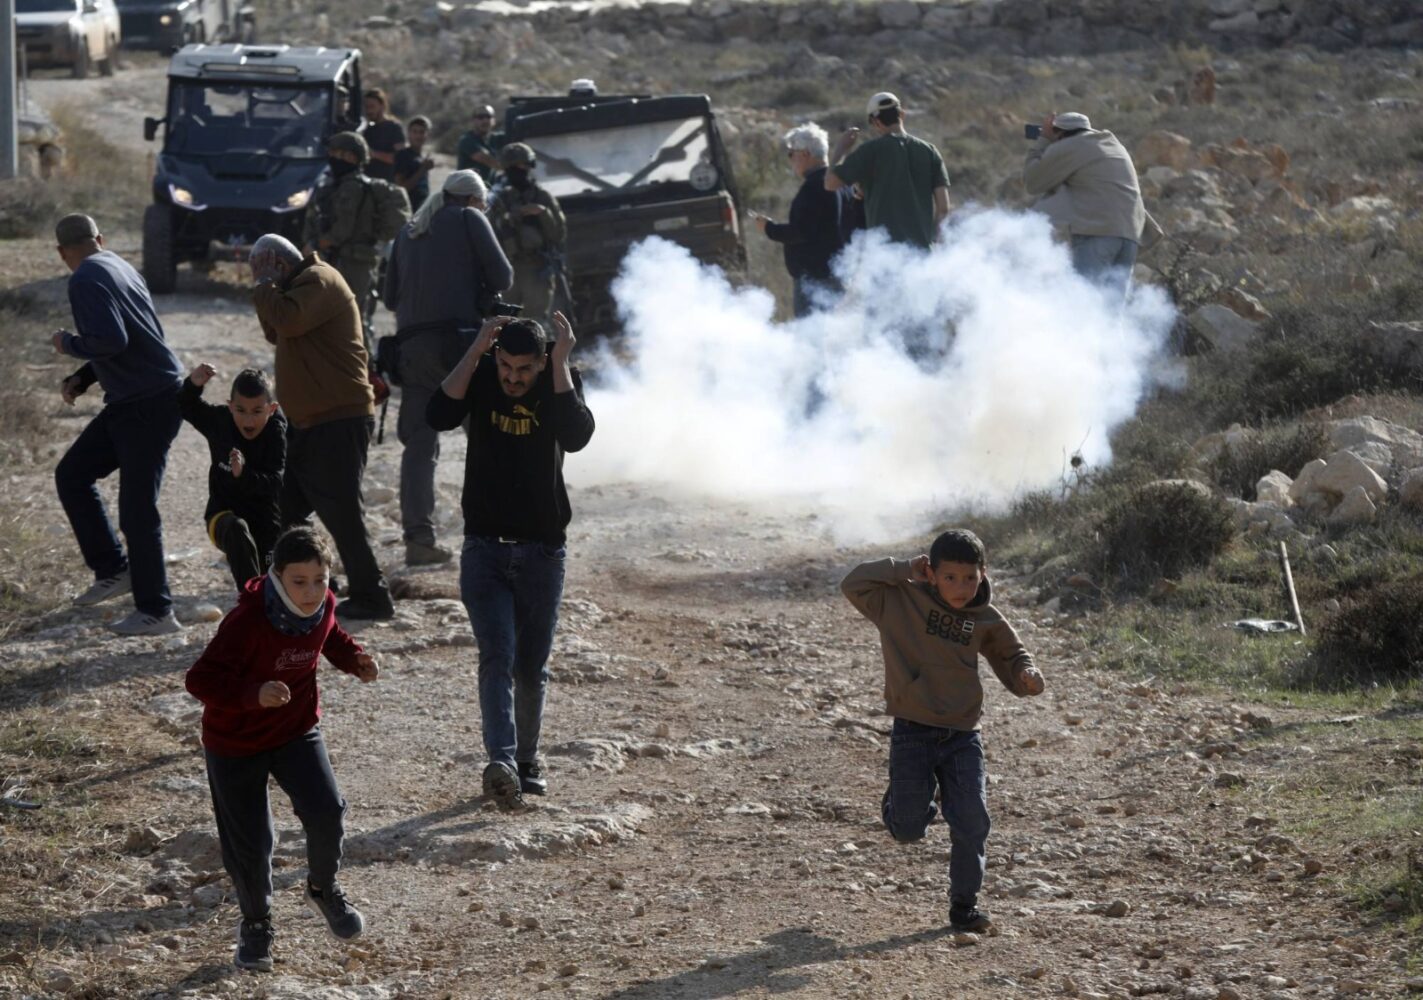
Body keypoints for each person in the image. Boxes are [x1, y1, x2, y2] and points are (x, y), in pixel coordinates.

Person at [185, 526, 379, 973]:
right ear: (276, 576)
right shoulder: (247, 621)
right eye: (299, 581)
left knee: (327, 810)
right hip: (235, 743)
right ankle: (256, 924)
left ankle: (322, 889)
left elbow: (330, 635)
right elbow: (199, 679)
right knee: (252, 844)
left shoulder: (324, 604)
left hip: (295, 730)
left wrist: (355, 661)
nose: (311, 592)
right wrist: (253, 694)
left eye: (320, 580)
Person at [840, 529, 1045, 933]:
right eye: (950, 577)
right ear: (931, 573)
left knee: (972, 820)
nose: (961, 587)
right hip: (912, 731)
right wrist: (903, 569)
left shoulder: (984, 615)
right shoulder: (899, 601)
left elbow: (1012, 652)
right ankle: (904, 799)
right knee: (907, 828)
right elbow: (853, 583)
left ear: (983, 574)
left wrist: (1026, 674)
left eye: (970, 578)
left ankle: (964, 906)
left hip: (963, 734)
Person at [425, 315, 594, 804]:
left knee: (530, 667)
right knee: (497, 655)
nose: (513, 378)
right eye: (506, 366)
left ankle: (526, 759)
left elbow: (577, 435)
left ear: (541, 363)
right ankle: (500, 761)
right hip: (485, 546)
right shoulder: (481, 374)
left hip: (543, 549)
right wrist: (477, 350)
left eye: (524, 369)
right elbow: (438, 415)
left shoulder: (560, 380)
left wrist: (559, 363)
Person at [249, 233, 396, 621]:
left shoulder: (318, 279)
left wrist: (264, 285)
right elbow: (275, 329)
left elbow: (288, 320)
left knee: (343, 514)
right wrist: (266, 288)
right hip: (310, 422)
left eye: (262, 270)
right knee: (285, 506)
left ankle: (372, 595)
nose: (259, 280)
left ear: (279, 265)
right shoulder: (297, 287)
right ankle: (315, 582)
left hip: (337, 419)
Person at [51, 213, 185, 637]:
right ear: (100, 238)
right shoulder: (120, 265)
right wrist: (84, 377)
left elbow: (111, 340)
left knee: (138, 511)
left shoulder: (83, 279)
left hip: (146, 404)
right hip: (140, 399)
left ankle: (157, 611)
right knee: (73, 475)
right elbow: (131, 336)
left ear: (61, 252)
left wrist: (67, 344)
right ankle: (113, 569)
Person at [383, 170, 513, 567]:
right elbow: (504, 276)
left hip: (413, 349)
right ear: (472, 200)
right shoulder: (469, 218)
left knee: (420, 447)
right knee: (487, 439)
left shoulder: (408, 231)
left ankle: (419, 541)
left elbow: (389, 298)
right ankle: (497, 532)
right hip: (461, 345)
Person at [1023, 111, 1160, 296]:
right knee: (1111, 310)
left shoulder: (1070, 146)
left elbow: (1032, 182)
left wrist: (1044, 140)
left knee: (1083, 302)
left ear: (1059, 133)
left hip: (1099, 235)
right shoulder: (1112, 144)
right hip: (1130, 236)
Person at [178, 364, 287, 592]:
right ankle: (250, 604)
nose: (248, 421)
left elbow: (275, 482)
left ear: (272, 409)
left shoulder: (276, 432)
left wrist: (243, 475)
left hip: (265, 524)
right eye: (240, 410)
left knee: (274, 587)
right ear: (230, 406)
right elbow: (185, 405)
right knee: (237, 529)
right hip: (222, 518)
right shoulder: (220, 421)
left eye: (257, 411)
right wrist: (193, 384)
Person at [304, 131, 411, 349]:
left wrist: (315, 246)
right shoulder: (336, 185)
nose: (334, 158)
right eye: (333, 152)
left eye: (338, 153)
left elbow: (341, 231)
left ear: (352, 157)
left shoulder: (352, 187)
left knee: (353, 322)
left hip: (351, 264)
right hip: (350, 262)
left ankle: (361, 367)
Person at [749, 123, 855, 317]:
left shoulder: (814, 186)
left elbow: (801, 231)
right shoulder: (840, 183)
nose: (790, 160)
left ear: (805, 154)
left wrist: (768, 228)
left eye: (792, 154)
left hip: (815, 280)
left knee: (811, 334)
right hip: (840, 273)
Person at [826, 92, 951, 249]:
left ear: (875, 121)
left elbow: (830, 183)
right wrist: (934, 242)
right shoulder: (930, 151)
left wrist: (841, 150)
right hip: (922, 255)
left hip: (885, 254)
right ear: (902, 114)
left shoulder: (869, 151)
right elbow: (943, 208)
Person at [487, 143, 566, 327]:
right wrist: (511, 216)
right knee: (503, 325)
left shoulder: (542, 197)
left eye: (522, 165)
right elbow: (488, 234)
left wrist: (542, 213)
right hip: (506, 269)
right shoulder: (497, 198)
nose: (518, 170)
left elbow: (558, 235)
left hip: (536, 268)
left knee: (536, 325)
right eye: (513, 167)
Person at [359, 88, 405, 183]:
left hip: (387, 184)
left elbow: (400, 159)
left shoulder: (394, 127)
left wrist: (373, 154)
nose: (369, 111)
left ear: (382, 106)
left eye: (372, 106)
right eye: (367, 107)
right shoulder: (367, 129)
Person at [393, 114, 435, 212]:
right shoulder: (403, 155)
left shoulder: (423, 156)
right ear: (408, 133)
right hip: (407, 210)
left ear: (427, 135)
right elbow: (401, 189)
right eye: (415, 132)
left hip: (422, 209)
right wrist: (423, 169)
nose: (418, 136)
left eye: (422, 132)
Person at [456, 103, 502, 185]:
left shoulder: (494, 138)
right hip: (467, 189)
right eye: (480, 117)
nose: (485, 120)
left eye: (488, 117)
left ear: (494, 120)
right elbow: (489, 160)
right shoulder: (467, 140)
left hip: (486, 188)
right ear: (473, 120)